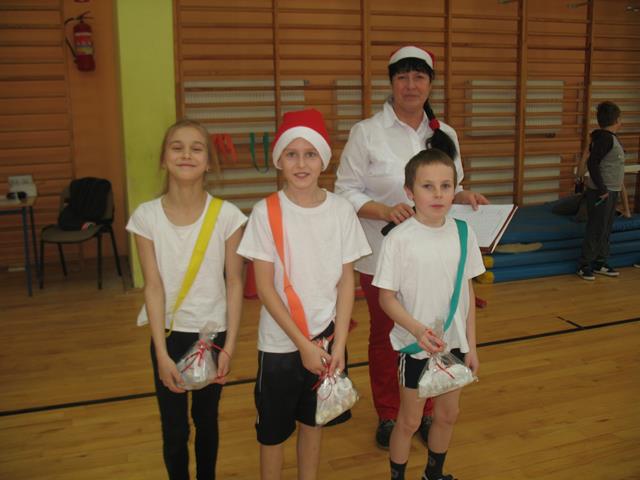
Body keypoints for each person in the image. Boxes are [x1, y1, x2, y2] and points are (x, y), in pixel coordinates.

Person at [334, 45, 489, 448]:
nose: (410, 85)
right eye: (402, 77)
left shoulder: (445, 134)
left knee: (440, 329)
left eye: (419, 77)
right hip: (382, 254)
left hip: (437, 256)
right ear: (390, 83)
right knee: (389, 336)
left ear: (430, 83)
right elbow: (344, 190)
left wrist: (464, 196)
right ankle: (391, 413)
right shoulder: (367, 132)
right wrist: (385, 210)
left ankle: (427, 408)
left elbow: (448, 186)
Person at [237, 108, 371, 480]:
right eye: (292, 154)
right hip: (280, 346)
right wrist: (302, 344)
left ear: (323, 160)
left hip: (328, 342)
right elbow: (265, 287)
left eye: (310, 154)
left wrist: (339, 343)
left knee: (314, 424)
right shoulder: (265, 212)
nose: (301, 163)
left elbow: (347, 281)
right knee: (272, 434)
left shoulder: (341, 211)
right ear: (279, 160)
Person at [126, 119, 247, 480]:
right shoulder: (146, 217)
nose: (186, 155)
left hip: (213, 335)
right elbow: (153, 286)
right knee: (174, 428)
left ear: (209, 162)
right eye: (176, 147)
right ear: (164, 159)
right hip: (168, 335)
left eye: (196, 148)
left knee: (207, 420)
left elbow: (235, 282)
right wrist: (161, 353)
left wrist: (229, 348)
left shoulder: (227, 216)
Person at [373, 149, 485, 480]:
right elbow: (386, 298)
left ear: (454, 189)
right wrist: (417, 330)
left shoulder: (464, 232)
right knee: (409, 421)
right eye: (428, 186)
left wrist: (471, 346)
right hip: (416, 347)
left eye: (445, 186)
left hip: (454, 345)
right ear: (409, 192)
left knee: (448, 415)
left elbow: (468, 292)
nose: (438, 194)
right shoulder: (399, 239)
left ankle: (433, 475)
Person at [577, 101, 625, 281]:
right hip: (602, 192)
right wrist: (603, 189)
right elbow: (592, 163)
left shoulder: (608, 138)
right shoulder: (605, 138)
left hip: (610, 191)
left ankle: (600, 262)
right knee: (596, 228)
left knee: (605, 228)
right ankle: (584, 265)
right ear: (617, 120)